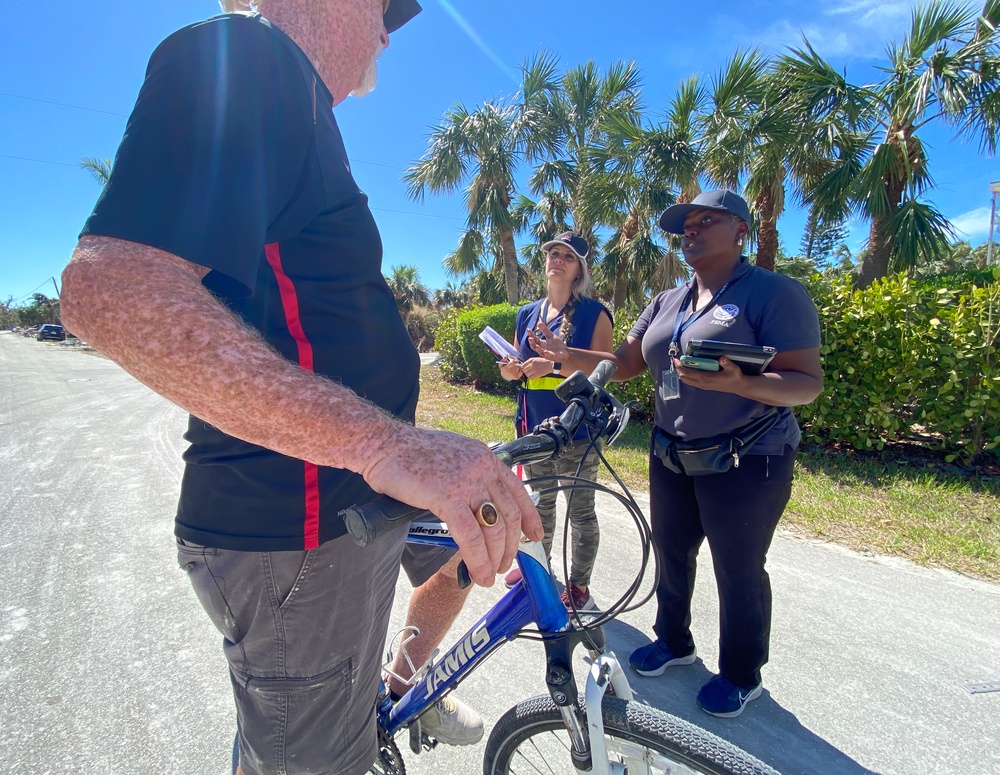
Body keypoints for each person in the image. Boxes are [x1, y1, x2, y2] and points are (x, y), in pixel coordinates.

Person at [59, 2, 542, 774]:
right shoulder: (249, 58)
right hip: (301, 534)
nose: (391, 30)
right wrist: (385, 442)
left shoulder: (300, 107)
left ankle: (388, 686)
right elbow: (111, 289)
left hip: (337, 518)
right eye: (387, 9)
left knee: (440, 572)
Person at [528, 190, 823, 718]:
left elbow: (805, 383)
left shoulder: (774, 293)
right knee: (672, 553)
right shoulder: (667, 300)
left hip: (747, 458)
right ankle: (674, 641)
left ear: (740, 230)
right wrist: (564, 357)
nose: (691, 230)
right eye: (685, 225)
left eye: (706, 221)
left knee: (738, 568)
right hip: (672, 456)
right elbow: (622, 362)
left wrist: (741, 382)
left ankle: (741, 673)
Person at [498, 232, 614, 611]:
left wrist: (557, 364)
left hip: (577, 428)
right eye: (553, 253)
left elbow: (607, 366)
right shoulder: (527, 313)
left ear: (580, 268)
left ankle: (578, 587)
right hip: (535, 427)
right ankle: (539, 571)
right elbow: (516, 366)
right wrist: (512, 371)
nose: (557, 260)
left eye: (567, 256)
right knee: (538, 505)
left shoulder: (595, 313)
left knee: (581, 512)